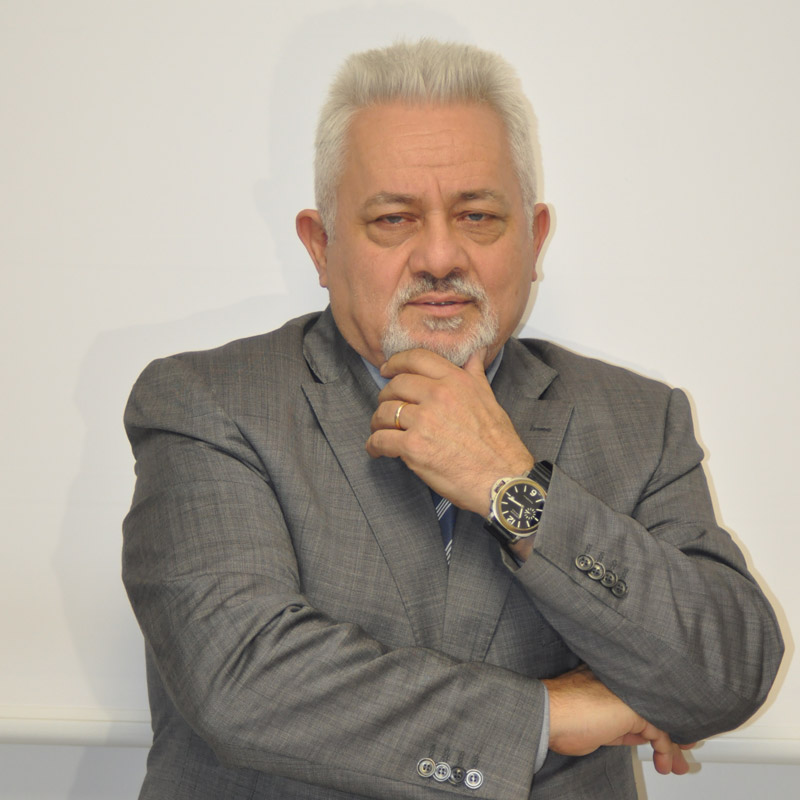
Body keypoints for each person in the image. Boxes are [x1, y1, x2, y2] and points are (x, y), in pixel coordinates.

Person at [122, 40, 783, 799]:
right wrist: (550, 714)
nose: (439, 256)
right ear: (320, 245)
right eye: (393, 219)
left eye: (477, 216)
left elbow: (727, 673)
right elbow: (243, 679)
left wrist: (512, 486)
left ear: (535, 238)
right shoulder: (206, 404)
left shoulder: (640, 419)